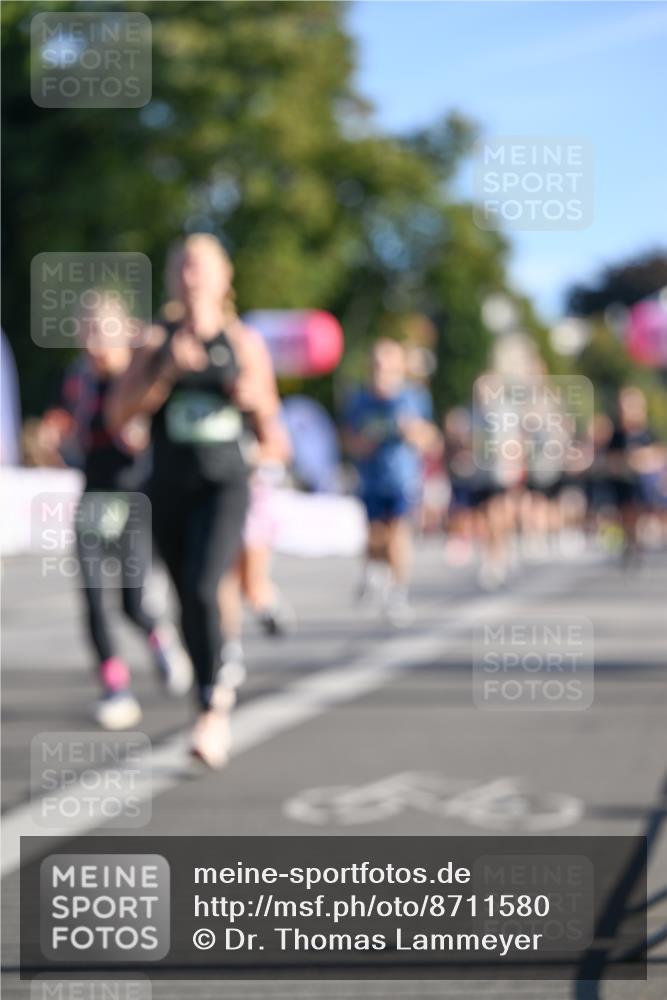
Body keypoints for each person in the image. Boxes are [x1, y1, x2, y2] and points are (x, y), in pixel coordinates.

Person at [107, 234, 281, 767]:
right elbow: (118, 415)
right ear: (171, 277)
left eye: (202, 264)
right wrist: (165, 373)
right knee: (188, 600)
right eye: (182, 264)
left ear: (225, 276)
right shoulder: (153, 341)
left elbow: (273, 428)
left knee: (207, 587)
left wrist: (254, 403)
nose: (191, 273)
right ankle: (212, 684)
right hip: (168, 487)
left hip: (225, 483)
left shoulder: (244, 341)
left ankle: (211, 710)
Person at [62, 294, 192, 730]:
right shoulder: (77, 379)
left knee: (132, 603)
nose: (94, 341)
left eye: (103, 330)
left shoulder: (138, 376)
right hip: (93, 498)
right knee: (93, 600)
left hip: (134, 499)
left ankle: (159, 636)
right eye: (87, 330)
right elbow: (68, 429)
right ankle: (115, 688)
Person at [342, 338, 438, 625]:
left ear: (399, 368)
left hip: (402, 477)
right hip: (370, 478)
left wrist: (414, 431)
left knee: (397, 534)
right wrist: (360, 444)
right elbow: (347, 438)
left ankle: (397, 593)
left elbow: (430, 437)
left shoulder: (412, 397)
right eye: (376, 365)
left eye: (388, 365)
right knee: (375, 535)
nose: (381, 371)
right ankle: (373, 570)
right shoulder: (359, 399)